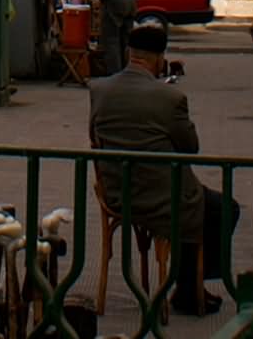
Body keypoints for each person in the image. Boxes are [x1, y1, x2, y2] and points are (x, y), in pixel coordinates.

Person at [89, 23, 240, 317]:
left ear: (129, 53)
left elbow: (94, 138)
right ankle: (190, 286)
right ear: (159, 59)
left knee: (197, 203)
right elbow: (190, 146)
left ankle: (188, 286)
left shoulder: (99, 89)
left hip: (117, 192)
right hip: (164, 197)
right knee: (223, 208)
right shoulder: (170, 98)